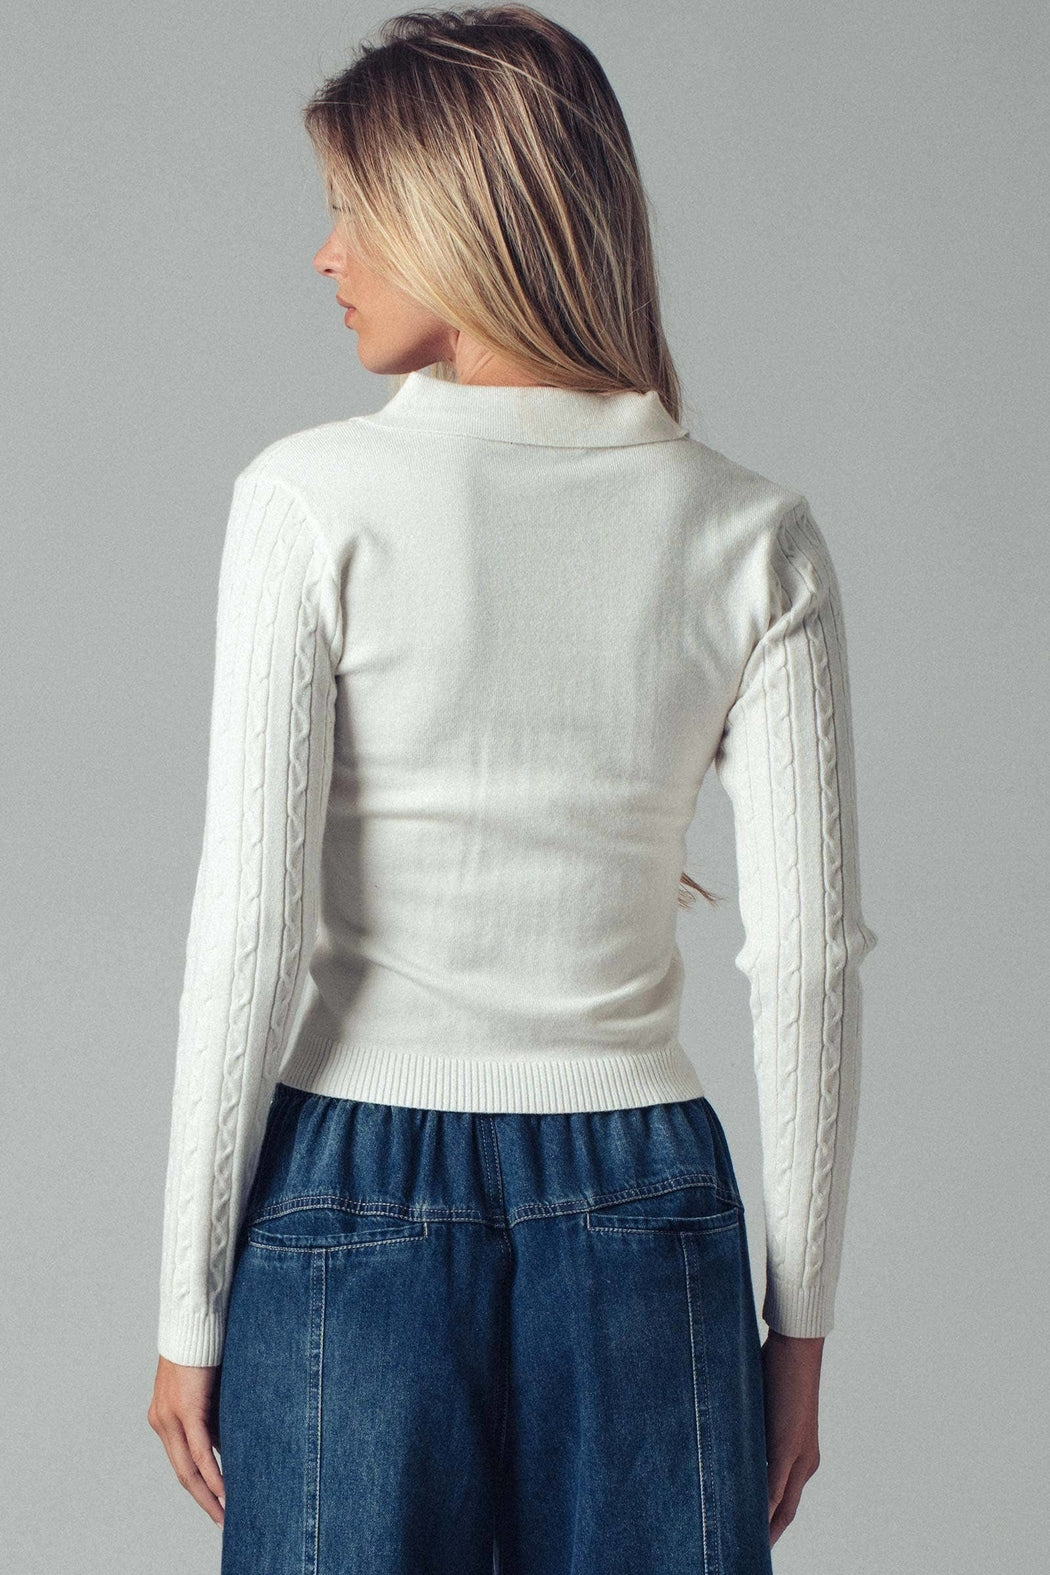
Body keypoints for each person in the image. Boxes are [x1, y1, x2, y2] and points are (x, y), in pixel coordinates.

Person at [147, 7, 878, 1572]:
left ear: (454, 216)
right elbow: (808, 964)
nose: (324, 257)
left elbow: (248, 933)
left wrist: (185, 1309)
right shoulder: (751, 535)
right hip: (647, 1197)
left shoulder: (308, 501)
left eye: (351, 212)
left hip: (346, 1197)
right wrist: (798, 1330)